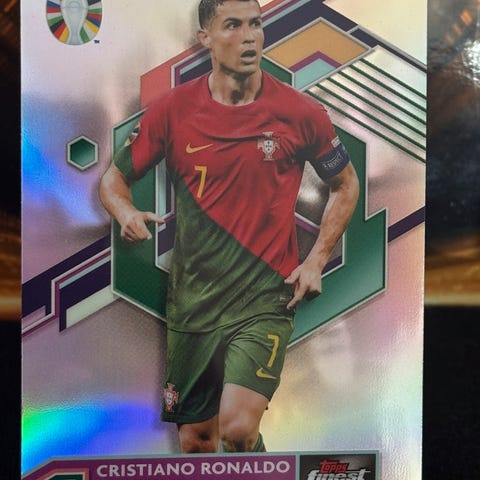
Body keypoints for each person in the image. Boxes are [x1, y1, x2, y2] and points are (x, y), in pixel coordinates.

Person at [99, 0, 359, 454]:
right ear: (205, 38)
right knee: (196, 441)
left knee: (237, 429)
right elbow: (113, 180)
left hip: (266, 297)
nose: (249, 36)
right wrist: (125, 212)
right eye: (233, 26)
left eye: (255, 24)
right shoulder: (172, 111)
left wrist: (317, 258)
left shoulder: (300, 113)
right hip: (193, 303)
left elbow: (346, 183)